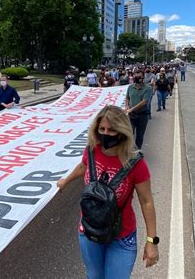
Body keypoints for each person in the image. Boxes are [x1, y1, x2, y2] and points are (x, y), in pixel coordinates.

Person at [57, 106, 159, 277]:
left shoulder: (135, 163)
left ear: (122, 131)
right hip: (89, 230)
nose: (106, 134)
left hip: (121, 237)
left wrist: (152, 241)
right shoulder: (92, 149)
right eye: (102, 129)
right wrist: (66, 181)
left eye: (112, 130)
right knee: (94, 276)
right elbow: (83, 166)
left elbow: (147, 202)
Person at [125, 71, 151, 149]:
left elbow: (144, 102)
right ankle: (129, 150)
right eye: (136, 76)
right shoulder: (130, 87)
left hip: (142, 116)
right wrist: (127, 106)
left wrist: (131, 109)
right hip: (131, 116)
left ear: (143, 78)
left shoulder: (147, 88)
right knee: (129, 134)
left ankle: (137, 152)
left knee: (139, 136)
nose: (136, 78)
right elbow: (127, 98)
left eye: (139, 76)